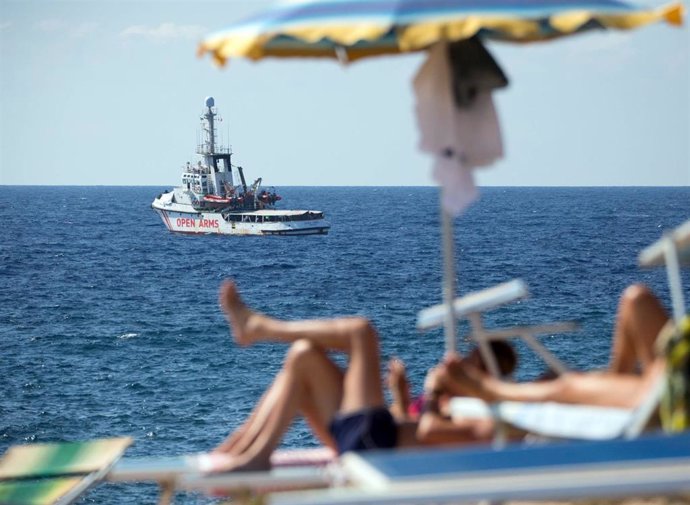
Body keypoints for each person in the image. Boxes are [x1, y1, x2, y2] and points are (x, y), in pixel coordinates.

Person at [209, 280, 502, 472]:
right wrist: (401, 395)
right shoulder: (457, 405)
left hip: (375, 449)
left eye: (469, 361)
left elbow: (428, 433)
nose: (457, 361)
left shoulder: (484, 414)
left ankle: (260, 327)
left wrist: (434, 393)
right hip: (372, 439)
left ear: (486, 375)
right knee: (303, 355)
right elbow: (411, 428)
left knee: (361, 332)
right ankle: (245, 445)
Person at [434, 284, 670, 410]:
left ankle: (494, 391)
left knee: (568, 386)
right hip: (679, 365)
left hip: (675, 391)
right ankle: (612, 386)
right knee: (636, 299)